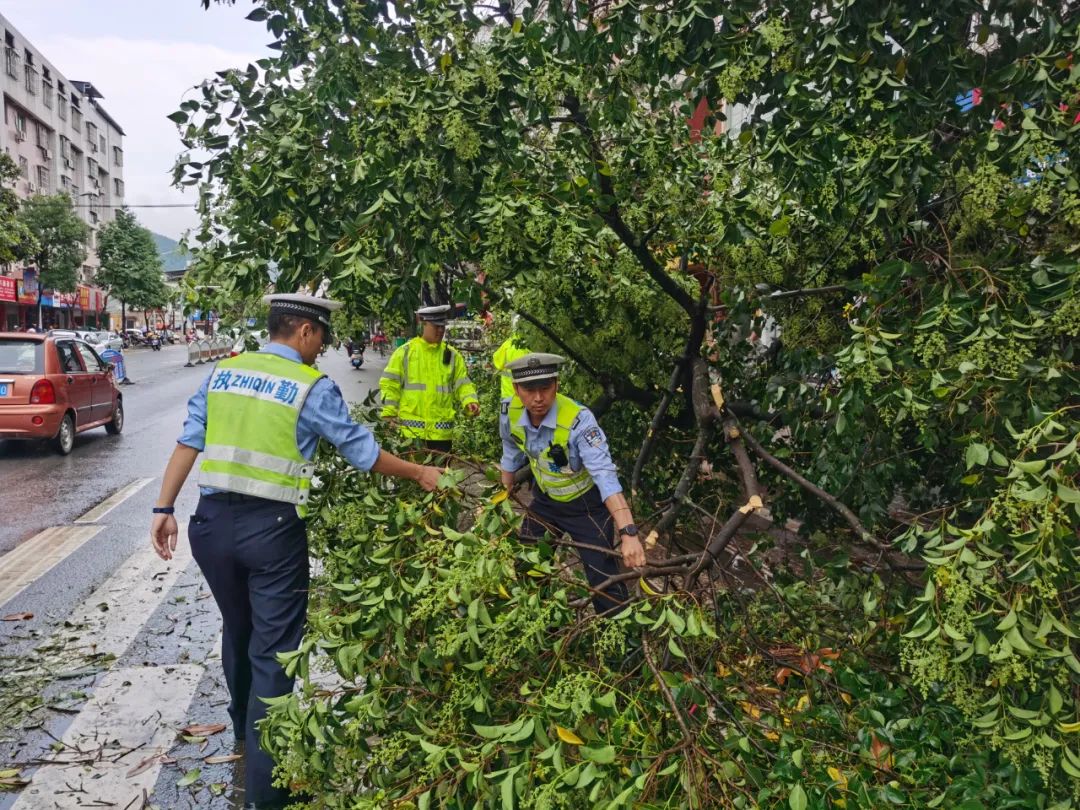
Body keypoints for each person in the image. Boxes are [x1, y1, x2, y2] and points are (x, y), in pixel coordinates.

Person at [149, 293, 444, 810]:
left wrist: (162, 508)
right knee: (273, 653)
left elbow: (188, 441)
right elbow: (363, 452)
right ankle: (269, 791)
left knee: (237, 628)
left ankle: (243, 730)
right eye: (322, 338)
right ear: (306, 332)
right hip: (271, 534)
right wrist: (421, 473)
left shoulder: (224, 372)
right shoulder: (309, 386)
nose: (321, 348)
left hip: (211, 527)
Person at [499, 353, 646, 615]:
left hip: (586, 509)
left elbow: (604, 474)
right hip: (545, 502)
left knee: (603, 580)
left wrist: (629, 533)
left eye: (545, 388)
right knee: (528, 564)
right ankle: (541, 626)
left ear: (556, 384)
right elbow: (510, 451)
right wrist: (500, 499)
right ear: (516, 389)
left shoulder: (579, 420)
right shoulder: (508, 412)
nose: (538, 398)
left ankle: (619, 641)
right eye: (529, 390)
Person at [379, 304, 479, 455]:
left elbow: (462, 384)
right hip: (411, 434)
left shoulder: (452, 355)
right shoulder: (405, 353)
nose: (440, 331)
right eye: (436, 326)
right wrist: (389, 413)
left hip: (442, 435)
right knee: (413, 477)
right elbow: (390, 385)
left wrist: (470, 402)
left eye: (442, 327)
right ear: (423, 323)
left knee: (441, 477)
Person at [492, 329, 531, 400]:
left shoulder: (508, 344)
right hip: (527, 396)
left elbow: (496, 362)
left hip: (508, 395)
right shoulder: (529, 346)